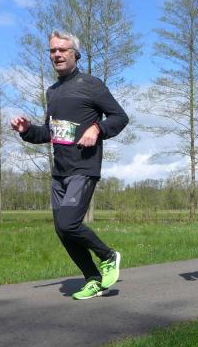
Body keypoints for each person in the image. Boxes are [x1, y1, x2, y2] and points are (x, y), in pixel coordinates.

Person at [10, 30, 128, 300]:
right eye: (52, 51)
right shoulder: (52, 92)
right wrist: (27, 130)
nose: (57, 55)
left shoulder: (91, 84)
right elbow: (49, 133)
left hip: (83, 168)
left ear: (76, 54)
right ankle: (93, 279)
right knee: (63, 231)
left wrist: (97, 128)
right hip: (59, 172)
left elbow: (120, 117)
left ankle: (108, 256)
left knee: (68, 224)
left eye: (62, 50)